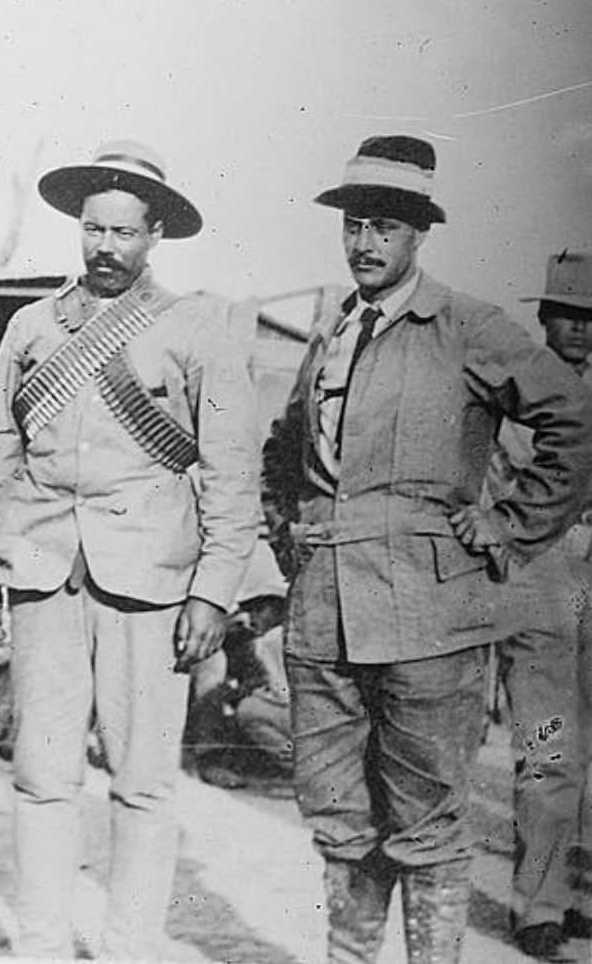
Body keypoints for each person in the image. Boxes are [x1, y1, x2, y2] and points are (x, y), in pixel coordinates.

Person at [261, 137, 592, 964]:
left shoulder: (466, 325)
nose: (365, 242)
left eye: (386, 228)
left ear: (419, 236)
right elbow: (286, 449)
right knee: (340, 817)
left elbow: (573, 424)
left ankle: (537, 902)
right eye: (355, 225)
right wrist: (289, 540)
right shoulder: (334, 329)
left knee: (477, 791)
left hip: (445, 619)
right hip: (329, 615)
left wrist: (512, 524)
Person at [0, 139, 260, 959]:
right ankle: (44, 942)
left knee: (142, 784)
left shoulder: (195, 328)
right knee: (41, 777)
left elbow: (233, 478)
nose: (104, 246)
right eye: (93, 228)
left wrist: (213, 592)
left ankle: (130, 945)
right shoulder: (31, 327)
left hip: (153, 582)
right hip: (42, 572)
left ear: (154, 234)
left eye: (123, 232)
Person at [495, 249, 592, 958]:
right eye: (569, 315)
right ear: (544, 317)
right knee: (547, 741)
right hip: (541, 570)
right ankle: (540, 904)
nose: (582, 331)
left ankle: (576, 892)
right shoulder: (516, 390)